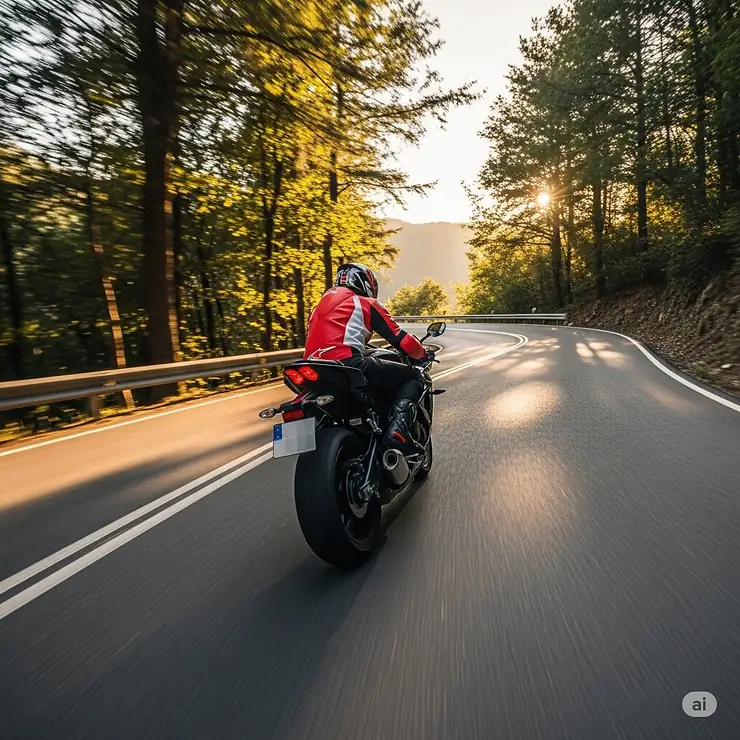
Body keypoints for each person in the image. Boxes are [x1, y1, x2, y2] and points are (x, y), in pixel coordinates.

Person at [303, 263, 429, 455]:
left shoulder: (316, 309)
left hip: (311, 368)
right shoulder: (364, 303)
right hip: (347, 364)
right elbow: (402, 340)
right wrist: (422, 354)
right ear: (366, 284)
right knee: (415, 377)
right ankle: (398, 430)